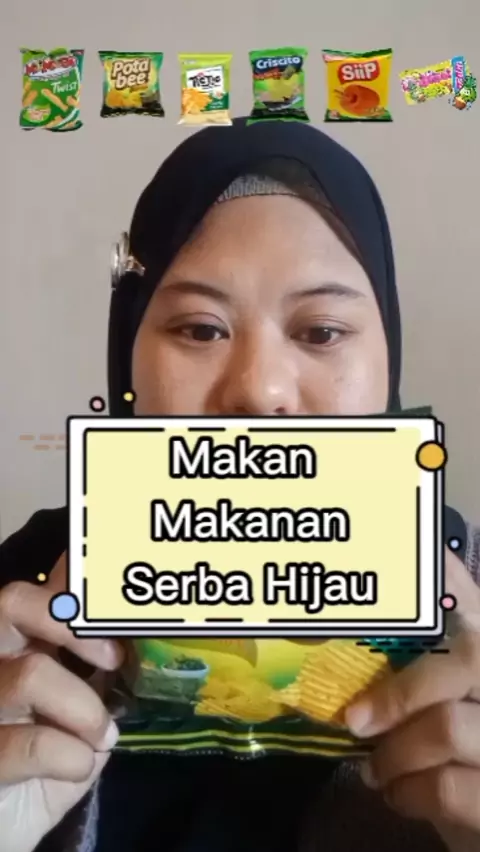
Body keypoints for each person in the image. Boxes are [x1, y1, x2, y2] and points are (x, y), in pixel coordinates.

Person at [1, 117, 479, 852]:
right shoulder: (24, 600)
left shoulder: (466, 594)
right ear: (128, 356)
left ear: (389, 358)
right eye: (201, 329)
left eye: (322, 331)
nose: (259, 391)